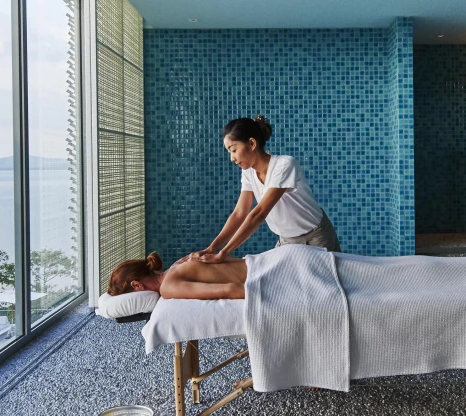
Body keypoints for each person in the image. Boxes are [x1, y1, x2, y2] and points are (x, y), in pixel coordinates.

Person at [190, 115, 340, 265]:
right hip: (286, 241)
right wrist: (212, 249)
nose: (232, 158)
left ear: (252, 143)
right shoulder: (248, 172)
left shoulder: (284, 165)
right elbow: (239, 213)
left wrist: (224, 253)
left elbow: (259, 214)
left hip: (316, 238)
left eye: (233, 150)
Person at [109, 252, 246, 300]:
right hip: (252, 263)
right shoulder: (175, 266)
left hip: (257, 277)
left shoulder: (167, 287)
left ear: (136, 285)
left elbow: (229, 290)